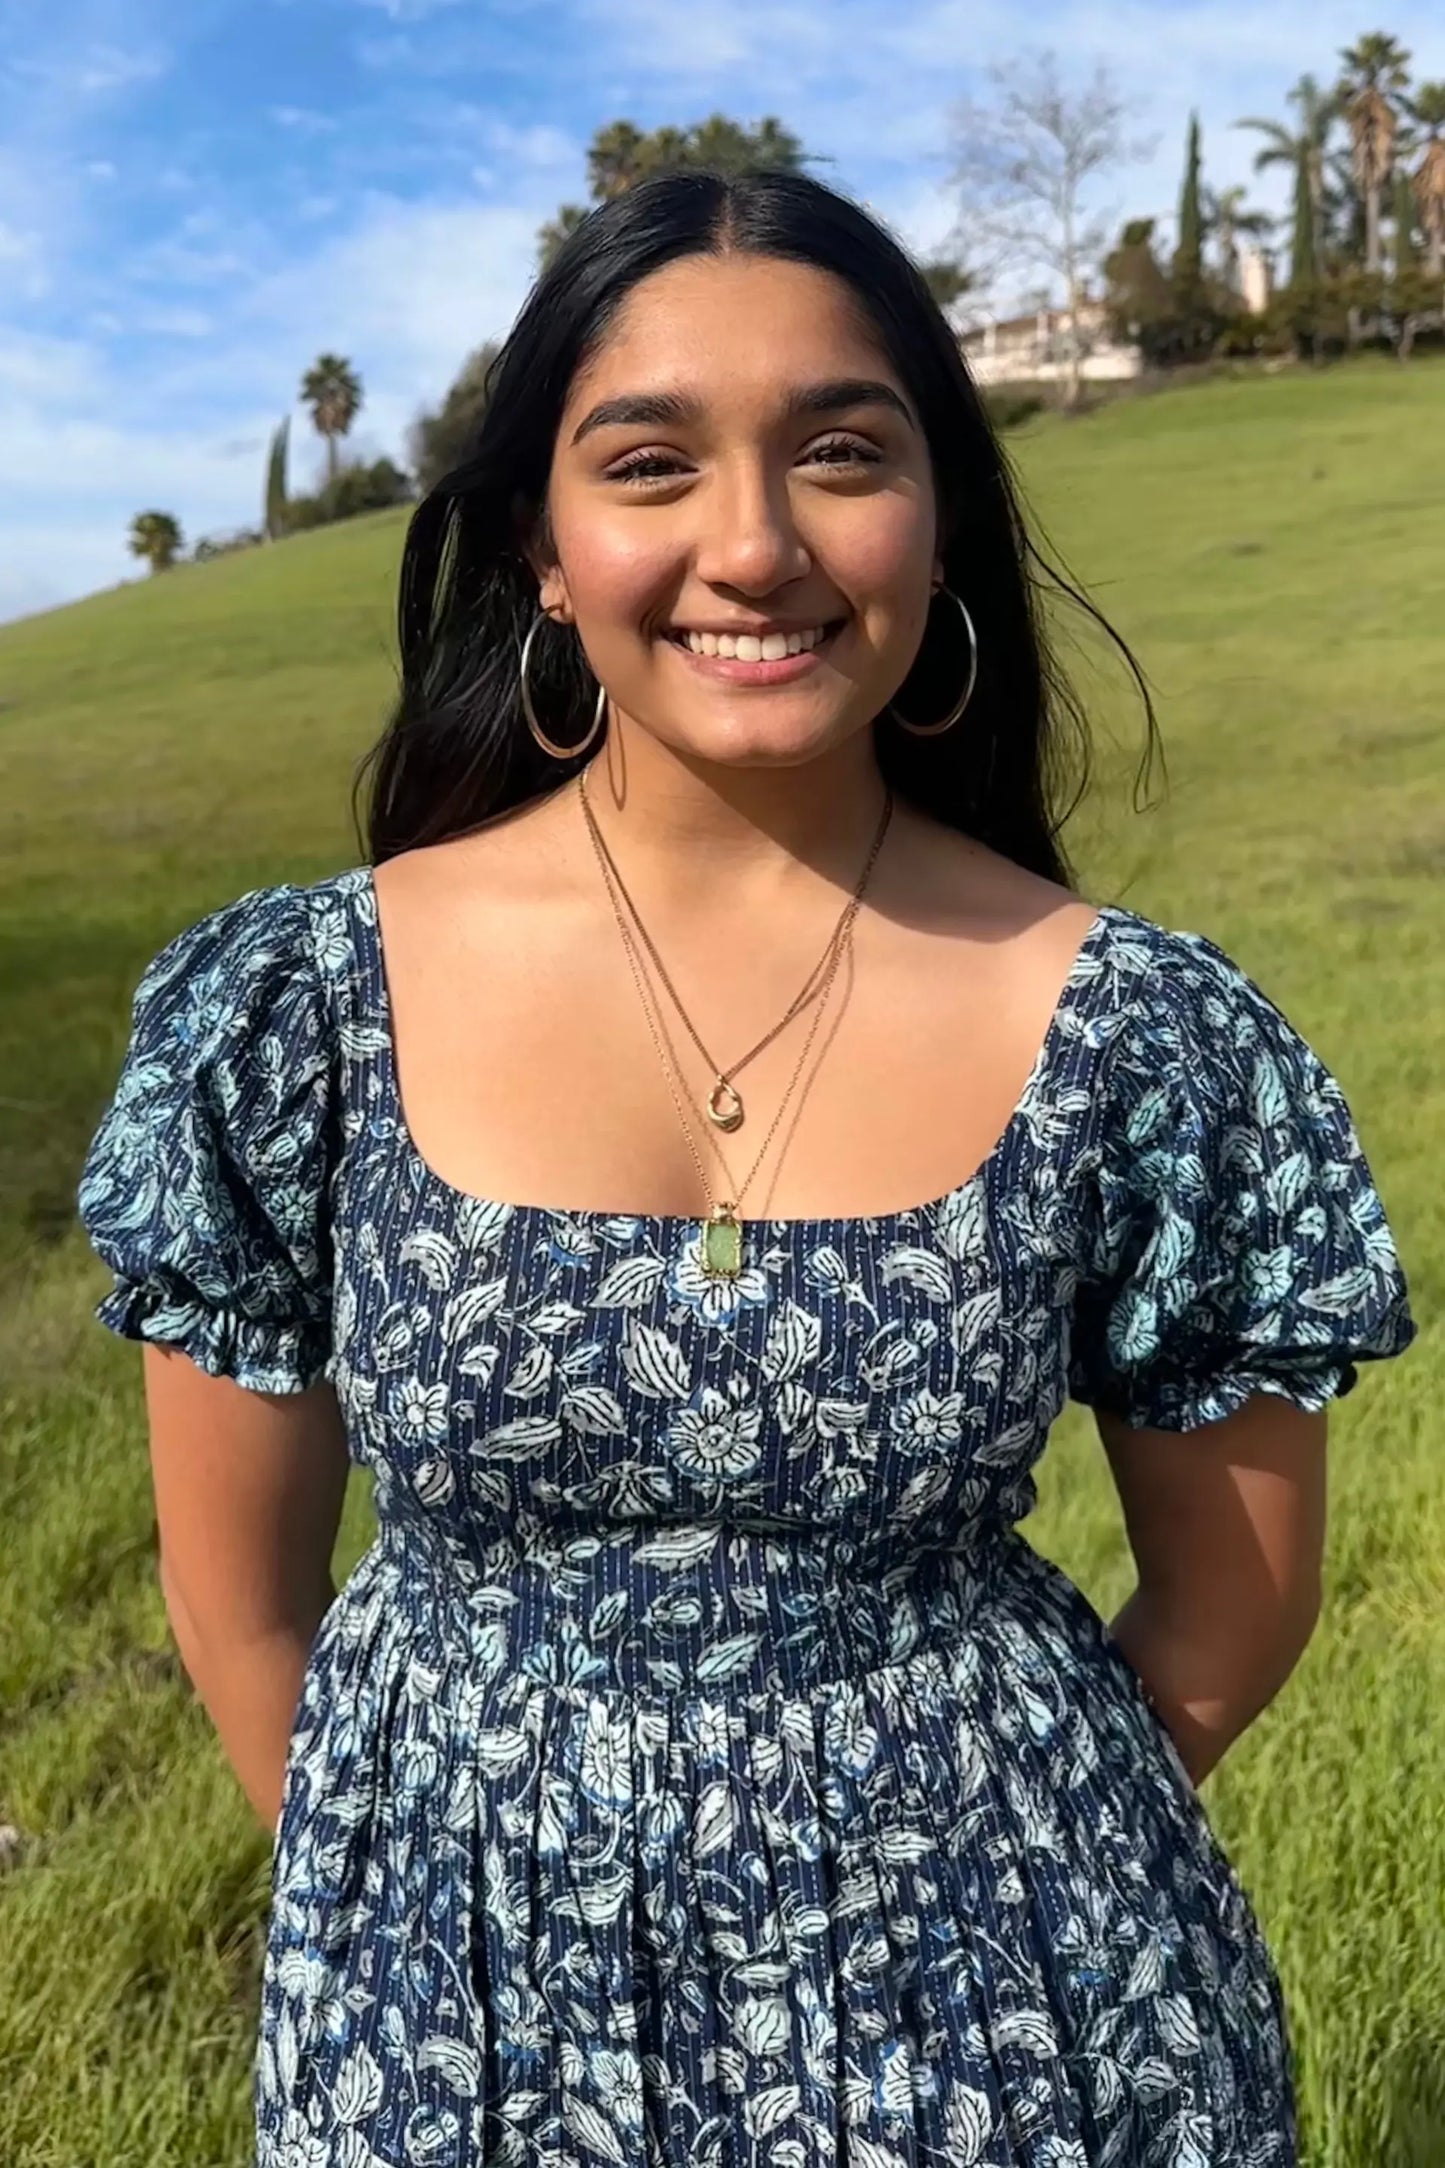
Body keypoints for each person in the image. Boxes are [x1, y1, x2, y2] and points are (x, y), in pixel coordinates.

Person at [76, 170, 1416, 2168]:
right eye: (651, 460)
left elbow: (1235, 1596)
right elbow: (236, 1602)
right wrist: (428, 1927)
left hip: (1023, 2042)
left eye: (842, 452)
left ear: (936, 513)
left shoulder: (1136, 1036)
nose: (756, 544)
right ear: (544, 539)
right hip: (457, 2050)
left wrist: (989, 1894)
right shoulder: (297, 1020)